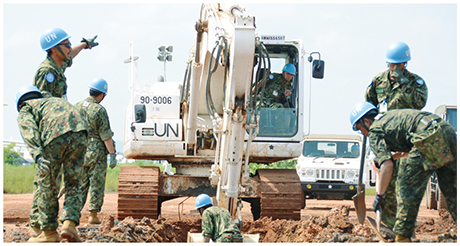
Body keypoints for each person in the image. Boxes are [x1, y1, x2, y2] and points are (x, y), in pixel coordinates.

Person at [349, 102, 457, 242]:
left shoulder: (375, 130)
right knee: (452, 191)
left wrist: (380, 196)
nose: (362, 133)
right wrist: (386, 158)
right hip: (445, 130)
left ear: (366, 121)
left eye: (359, 128)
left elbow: (387, 166)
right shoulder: (388, 119)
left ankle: (403, 238)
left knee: (406, 188)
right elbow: (404, 151)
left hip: (426, 137)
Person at [364, 41, 428, 233]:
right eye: (390, 64)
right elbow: (370, 105)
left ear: (404, 64)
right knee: (387, 186)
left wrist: (404, 84)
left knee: (406, 187)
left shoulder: (416, 83)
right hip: (387, 140)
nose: (392, 68)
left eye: (396, 65)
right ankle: (390, 226)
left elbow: (420, 103)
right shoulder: (378, 81)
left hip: (407, 143)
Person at [16, 85, 87, 242]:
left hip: (55, 133)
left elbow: (29, 129)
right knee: (73, 183)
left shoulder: (26, 107)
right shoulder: (52, 101)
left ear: (21, 103)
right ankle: (69, 224)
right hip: (81, 131)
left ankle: (49, 233)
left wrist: (38, 154)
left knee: (47, 184)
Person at [74, 78, 117, 224]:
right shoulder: (99, 110)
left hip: (79, 150)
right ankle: (92, 215)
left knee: (80, 184)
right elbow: (106, 135)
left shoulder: (76, 107)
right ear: (102, 95)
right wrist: (112, 154)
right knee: (96, 183)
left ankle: (74, 215)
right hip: (96, 150)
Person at [34, 27, 99, 99]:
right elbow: (40, 103)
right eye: (67, 45)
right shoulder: (47, 71)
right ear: (54, 49)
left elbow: (71, 54)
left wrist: (85, 44)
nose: (70, 48)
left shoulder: (58, 64)